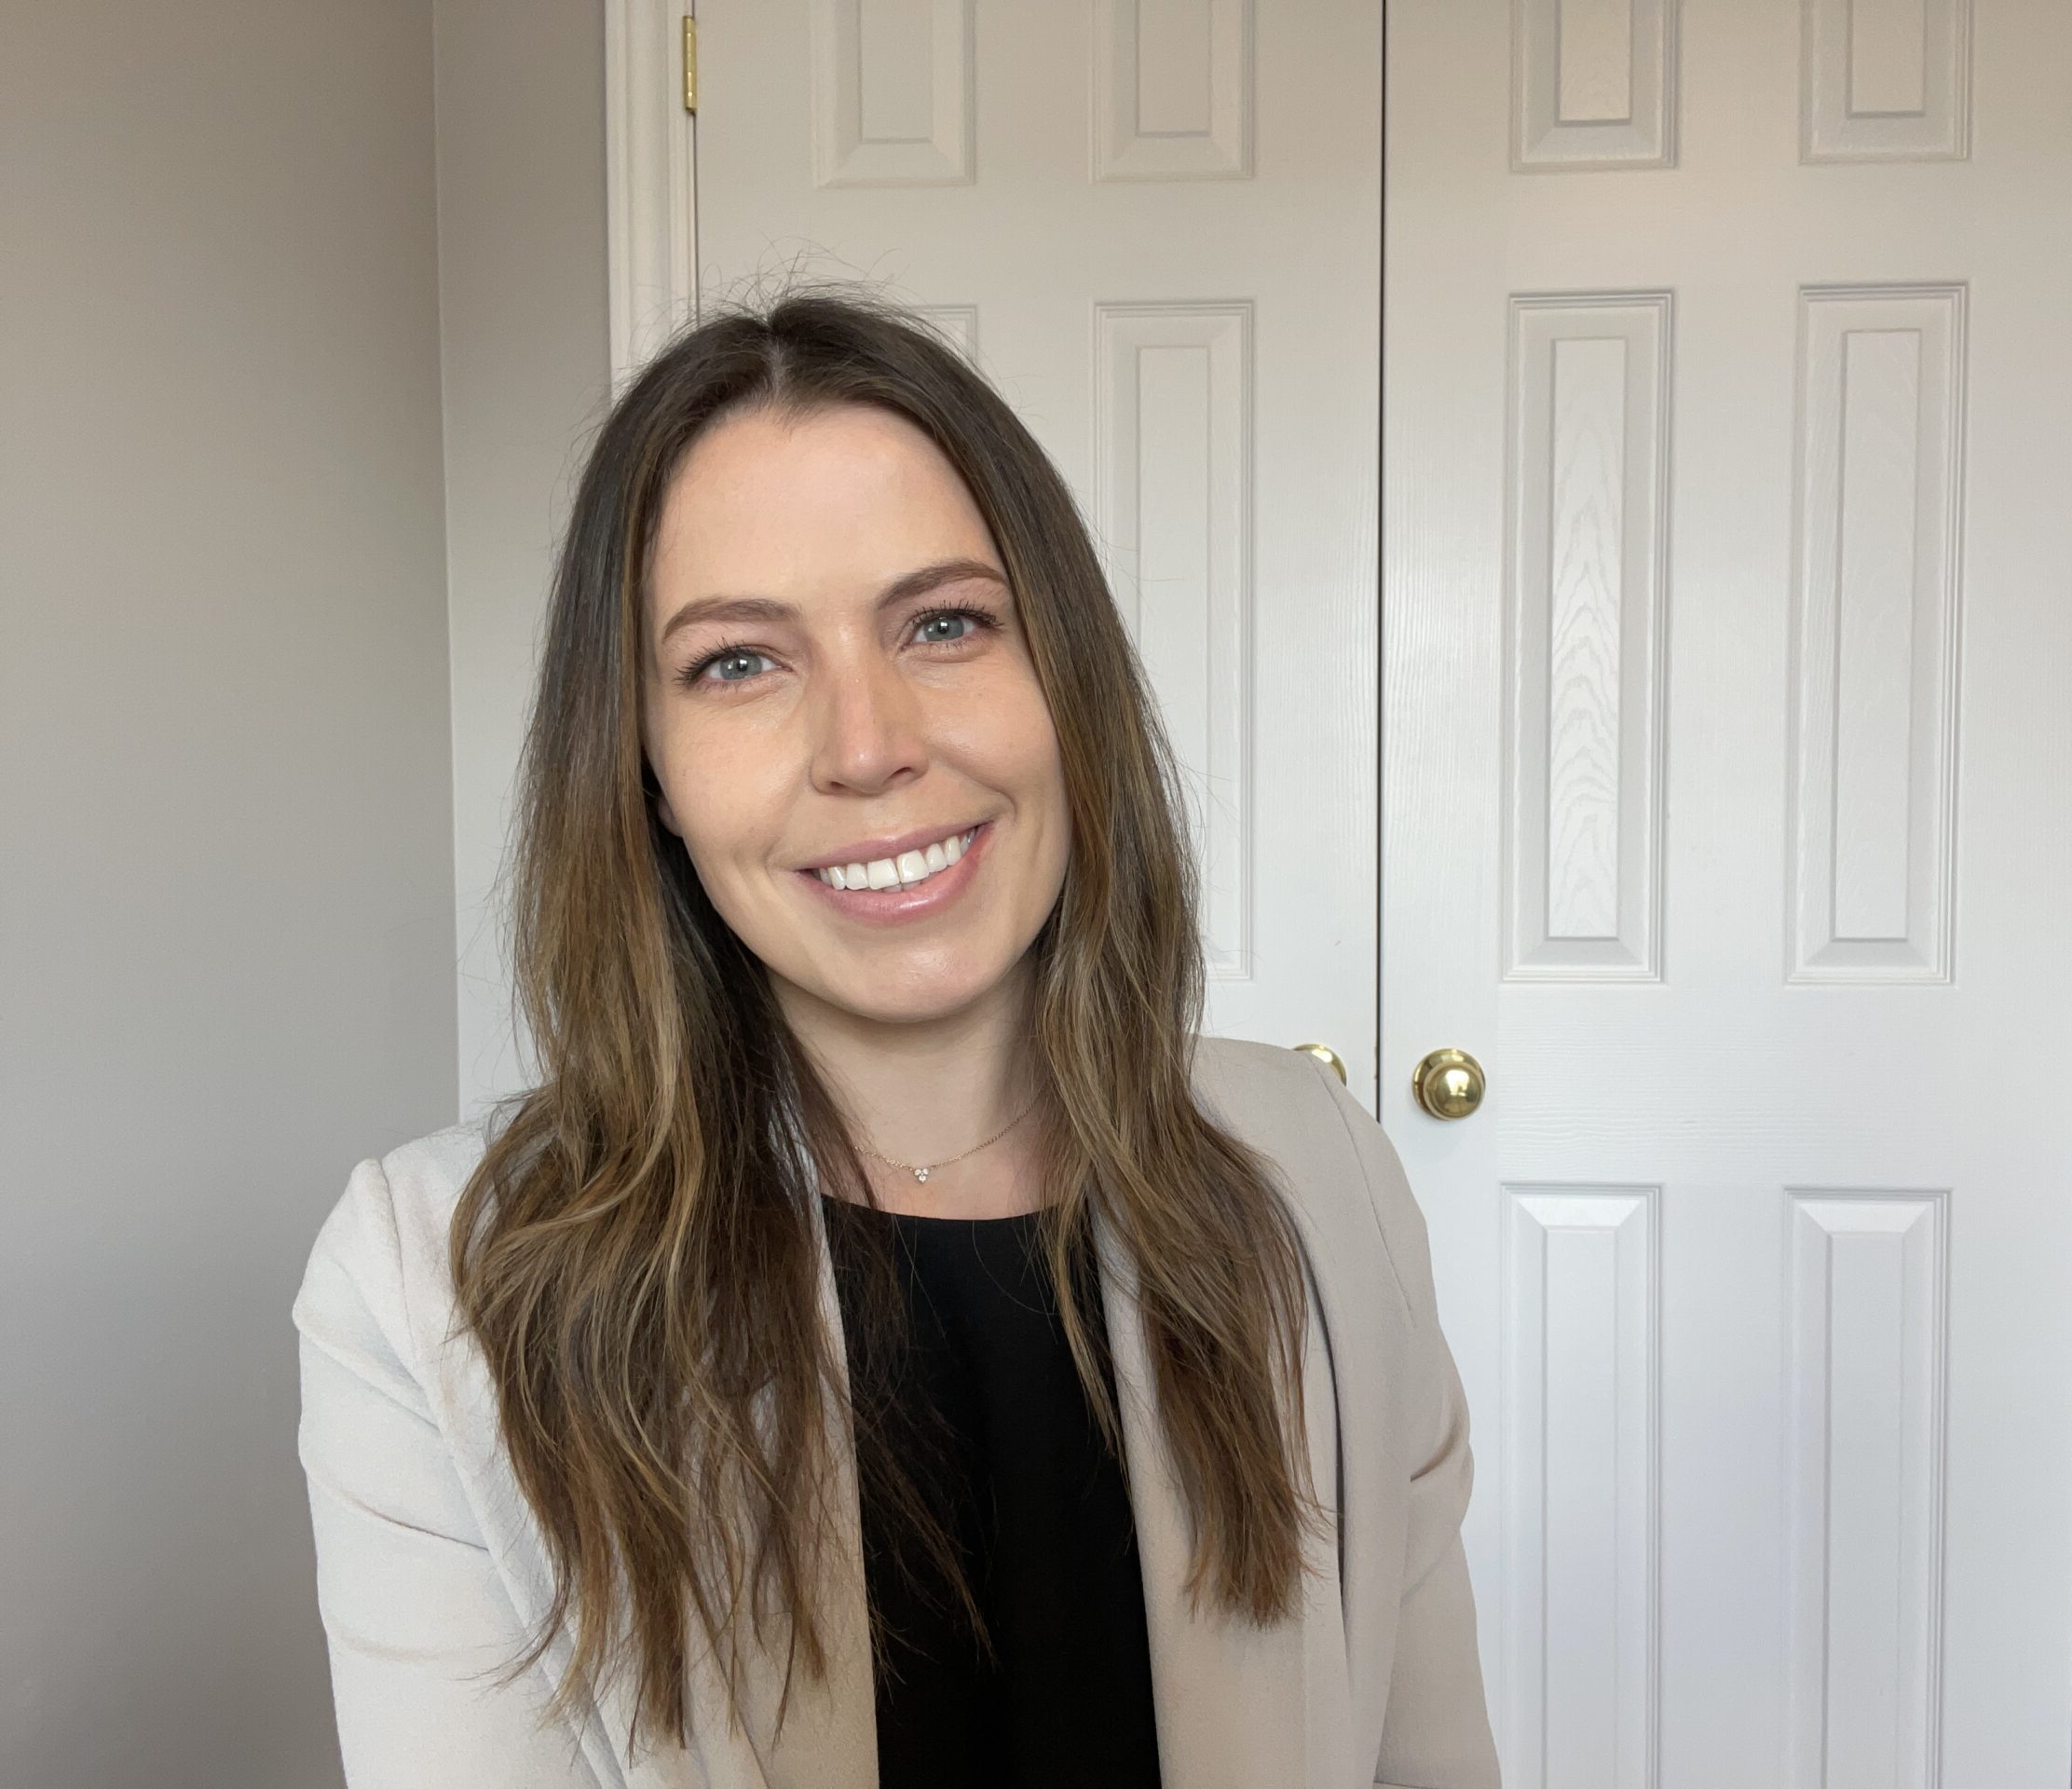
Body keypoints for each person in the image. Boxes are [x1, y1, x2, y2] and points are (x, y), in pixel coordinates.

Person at [290, 287, 1500, 1789]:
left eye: (945, 623)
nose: (869, 747)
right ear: (647, 768)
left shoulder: (1326, 1183)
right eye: (740, 661)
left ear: (1065, 678)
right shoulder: (431, 1289)